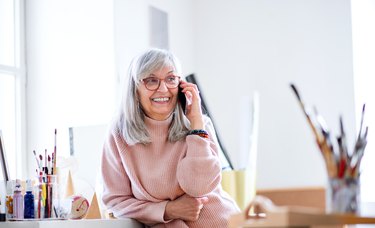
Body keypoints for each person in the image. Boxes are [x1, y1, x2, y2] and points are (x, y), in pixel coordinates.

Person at [101, 48, 239, 227]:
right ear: (135, 89)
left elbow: (200, 187)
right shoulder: (118, 135)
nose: (163, 88)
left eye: (171, 79)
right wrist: (167, 210)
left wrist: (196, 125)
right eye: (151, 80)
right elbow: (116, 202)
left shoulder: (199, 125)